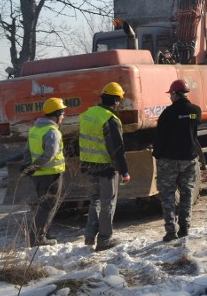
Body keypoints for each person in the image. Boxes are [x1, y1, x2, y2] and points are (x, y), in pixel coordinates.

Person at [79, 82, 131, 251]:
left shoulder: (87, 114)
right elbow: (117, 149)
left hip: (88, 165)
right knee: (108, 202)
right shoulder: (110, 119)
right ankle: (104, 240)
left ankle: (89, 237)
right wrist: (124, 171)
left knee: (95, 200)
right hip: (105, 167)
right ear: (116, 101)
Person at [153, 79, 203, 242]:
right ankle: (184, 228)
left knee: (167, 195)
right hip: (189, 159)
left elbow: (160, 138)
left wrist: (157, 155)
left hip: (169, 160)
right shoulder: (196, 111)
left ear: (175, 94)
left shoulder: (167, 114)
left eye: (171, 95)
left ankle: (171, 231)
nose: (170, 98)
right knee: (187, 193)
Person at [21, 97, 67, 247]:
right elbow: (49, 155)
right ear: (56, 115)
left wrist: (29, 166)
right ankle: (38, 238)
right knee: (48, 206)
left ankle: (43, 233)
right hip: (51, 174)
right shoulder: (53, 132)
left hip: (39, 176)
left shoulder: (35, 129)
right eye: (62, 113)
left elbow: (27, 151)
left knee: (44, 205)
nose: (63, 117)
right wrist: (35, 167)